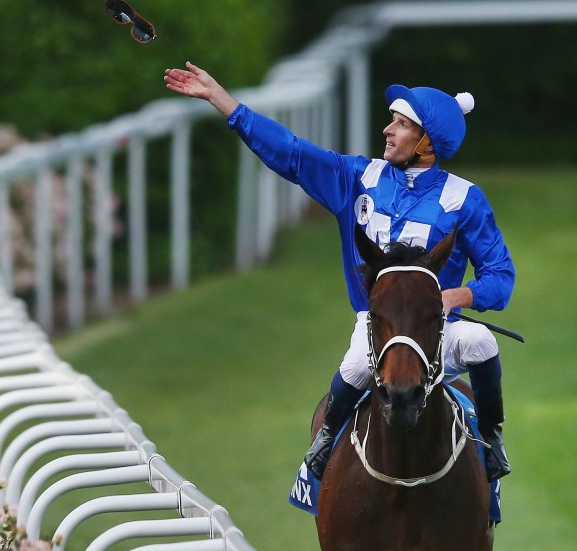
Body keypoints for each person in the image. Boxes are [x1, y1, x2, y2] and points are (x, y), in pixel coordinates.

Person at [163, 62, 515, 482]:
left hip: (435, 332)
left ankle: (492, 438)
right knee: (354, 370)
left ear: (426, 142)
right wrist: (224, 102)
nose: (387, 130)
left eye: (401, 125)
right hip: (377, 326)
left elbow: (500, 277)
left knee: (480, 341)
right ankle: (325, 439)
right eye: (392, 121)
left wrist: (456, 297)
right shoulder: (357, 177)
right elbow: (292, 153)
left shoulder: (465, 199)